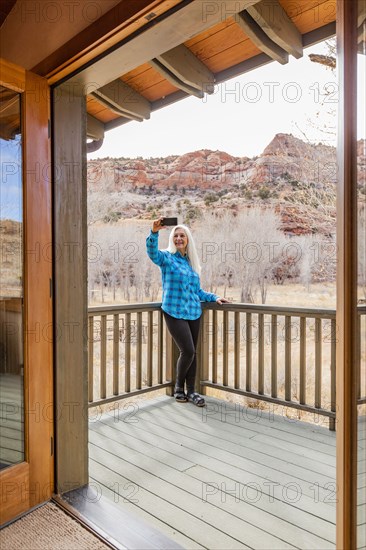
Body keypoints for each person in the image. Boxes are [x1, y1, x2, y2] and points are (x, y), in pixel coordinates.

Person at [146, 217, 229, 406]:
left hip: (193, 311)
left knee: (193, 353)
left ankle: (192, 392)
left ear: (188, 239)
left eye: (182, 235)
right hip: (173, 311)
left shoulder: (191, 264)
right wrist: (154, 232)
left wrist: (214, 297)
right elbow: (152, 254)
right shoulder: (166, 257)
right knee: (188, 351)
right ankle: (178, 388)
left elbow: (197, 291)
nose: (179, 239)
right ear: (172, 240)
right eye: (176, 236)